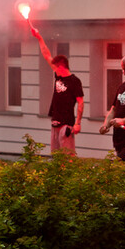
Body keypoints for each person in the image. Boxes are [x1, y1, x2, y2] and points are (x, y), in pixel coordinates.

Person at [30, 27, 84, 155]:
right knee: (55, 155)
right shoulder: (58, 75)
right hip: (55, 122)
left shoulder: (74, 81)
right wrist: (39, 37)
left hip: (67, 124)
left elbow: (81, 103)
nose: (54, 69)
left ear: (62, 66)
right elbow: (46, 54)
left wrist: (77, 123)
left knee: (67, 155)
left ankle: (68, 174)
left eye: (56, 67)